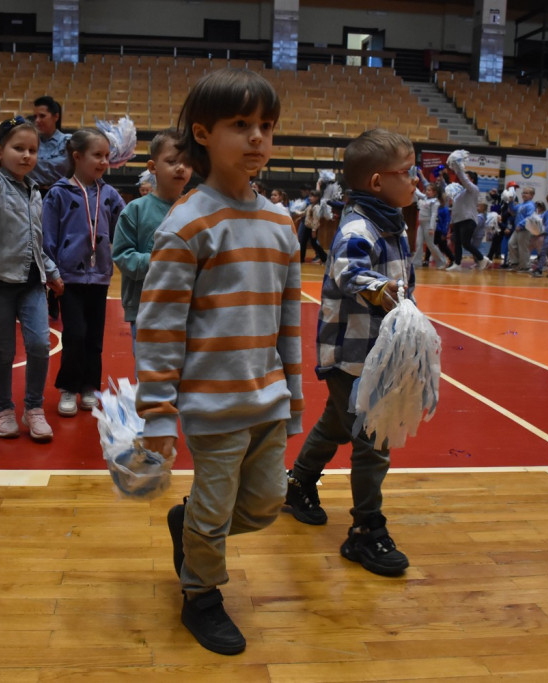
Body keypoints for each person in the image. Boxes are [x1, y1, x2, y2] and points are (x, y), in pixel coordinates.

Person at [135, 69, 302, 656]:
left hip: (269, 398)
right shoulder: (187, 223)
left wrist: (295, 399)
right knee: (213, 510)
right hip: (212, 405)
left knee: (263, 506)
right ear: (202, 134)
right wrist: (157, 413)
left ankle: (191, 529)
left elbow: (288, 321)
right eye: (241, 125)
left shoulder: (282, 223)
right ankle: (200, 592)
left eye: (266, 127)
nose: (257, 138)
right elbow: (158, 328)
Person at [284, 127, 416, 580]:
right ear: (378, 182)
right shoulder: (360, 227)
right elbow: (347, 271)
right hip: (353, 356)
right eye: (408, 172)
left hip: (376, 353)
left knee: (337, 423)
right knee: (372, 440)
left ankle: (299, 482)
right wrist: (379, 290)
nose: (416, 180)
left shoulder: (390, 222)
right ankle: (365, 529)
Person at [0, 116, 63, 442]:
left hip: (31, 282)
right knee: (4, 351)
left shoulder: (35, 191)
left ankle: (33, 407)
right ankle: (4, 410)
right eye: (18, 148)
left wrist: (52, 273)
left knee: (38, 344)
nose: (26, 155)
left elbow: (36, 240)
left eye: (32, 150)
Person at [42, 128, 125, 417]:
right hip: (69, 277)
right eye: (97, 155)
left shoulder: (110, 194)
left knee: (94, 337)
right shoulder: (58, 194)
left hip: (99, 276)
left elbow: (123, 229)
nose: (104, 161)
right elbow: (48, 236)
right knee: (75, 334)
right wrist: (51, 272)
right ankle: (68, 387)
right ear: (77, 156)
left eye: (107, 156)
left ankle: (89, 386)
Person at [112, 129, 192, 347]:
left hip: (187, 307)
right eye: (172, 161)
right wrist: (162, 261)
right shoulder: (135, 210)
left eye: (187, 162)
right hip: (145, 306)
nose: (181, 167)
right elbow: (122, 256)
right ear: (152, 167)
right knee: (149, 375)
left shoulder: (195, 210)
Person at [445, 156, 491, 271]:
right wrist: (452, 222)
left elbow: (463, 179)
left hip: (468, 220)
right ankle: (457, 263)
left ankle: (482, 258)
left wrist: (458, 168)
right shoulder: (459, 194)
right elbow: (456, 208)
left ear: (472, 180)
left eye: (467, 177)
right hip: (458, 220)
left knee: (465, 243)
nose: (464, 179)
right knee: (457, 242)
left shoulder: (473, 189)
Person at [29, 96, 68, 193]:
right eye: (35, 117)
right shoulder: (30, 141)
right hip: (33, 194)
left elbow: (64, 168)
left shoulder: (67, 141)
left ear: (56, 117)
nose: (37, 120)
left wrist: (32, 165)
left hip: (61, 193)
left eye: (42, 116)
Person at [411, 178, 446, 269]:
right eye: (427, 190)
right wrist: (413, 183)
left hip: (428, 225)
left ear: (434, 192)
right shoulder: (424, 198)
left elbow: (434, 215)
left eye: (429, 190)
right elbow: (417, 192)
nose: (427, 192)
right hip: (421, 225)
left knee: (430, 245)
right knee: (419, 244)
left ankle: (442, 262)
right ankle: (416, 263)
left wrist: (431, 228)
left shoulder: (435, 202)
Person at [506, 186, 536, 272]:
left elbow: (530, 217)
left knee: (523, 248)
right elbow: (512, 209)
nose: (524, 194)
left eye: (526, 193)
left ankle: (525, 266)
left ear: (532, 195)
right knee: (511, 243)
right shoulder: (521, 205)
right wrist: (511, 201)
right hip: (518, 229)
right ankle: (515, 263)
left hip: (525, 229)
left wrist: (521, 224)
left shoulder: (530, 205)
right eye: (523, 193)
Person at [301, 189, 328, 264]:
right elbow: (304, 213)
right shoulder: (310, 206)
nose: (310, 198)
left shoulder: (316, 207)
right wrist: (296, 211)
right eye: (310, 196)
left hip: (311, 229)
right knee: (303, 242)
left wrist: (314, 230)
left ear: (317, 198)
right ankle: (301, 258)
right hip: (307, 227)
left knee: (314, 244)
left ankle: (324, 257)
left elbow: (316, 220)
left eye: (312, 196)